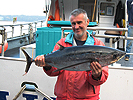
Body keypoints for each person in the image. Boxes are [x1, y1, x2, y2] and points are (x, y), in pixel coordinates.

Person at [35, 8, 108, 100]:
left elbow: (102, 78)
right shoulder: (62, 43)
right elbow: (55, 71)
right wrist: (47, 65)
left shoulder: (98, 45)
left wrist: (97, 75)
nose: (76, 27)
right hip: (63, 97)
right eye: (73, 23)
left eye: (79, 22)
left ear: (87, 22)